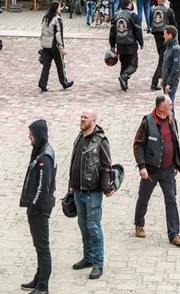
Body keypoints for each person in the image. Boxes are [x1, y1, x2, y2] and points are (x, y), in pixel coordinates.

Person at [133, 95, 180, 247]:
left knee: (171, 200)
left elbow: (174, 143)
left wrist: (176, 164)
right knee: (143, 198)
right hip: (150, 170)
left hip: (168, 170)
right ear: (161, 107)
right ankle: (139, 223)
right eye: (169, 105)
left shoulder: (171, 120)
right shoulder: (147, 122)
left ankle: (174, 234)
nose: (172, 107)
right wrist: (141, 166)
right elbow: (138, 145)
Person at [68, 108, 113, 281]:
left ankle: (98, 263)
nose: (81, 119)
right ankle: (88, 257)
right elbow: (74, 163)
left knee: (94, 227)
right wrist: (71, 186)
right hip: (78, 191)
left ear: (93, 121)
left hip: (93, 193)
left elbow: (106, 166)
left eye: (85, 117)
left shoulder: (100, 141)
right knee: (83, 225)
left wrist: (106, 188)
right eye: (81, 117)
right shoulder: (79, 137)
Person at [20, 119, 57, 294]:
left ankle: (43, 286)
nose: (29, 137)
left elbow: (43, 187)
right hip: (37, 207)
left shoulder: (44, 158)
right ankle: (38, 277)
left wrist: (33, 206)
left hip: (40, 209)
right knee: (38, 246)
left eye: (31, 134)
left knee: (43, 247)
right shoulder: (40, 151)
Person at [109, 0, 144, 91]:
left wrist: (112, 44)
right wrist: (141, 42)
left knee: (124, 64)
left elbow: (112, 32)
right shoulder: (133, 16)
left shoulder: (115, 15)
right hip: (130, 43)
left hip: (120, 43)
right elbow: (138, 31)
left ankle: (123, 84)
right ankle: (124, 77)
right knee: (133, 64)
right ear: (130, 4)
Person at [38, 0, 73, 92]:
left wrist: (42, 44)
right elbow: (59, 35)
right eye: (59, 7)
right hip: (54, 46)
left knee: (46, 66)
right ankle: (64, 83)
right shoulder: (57, 19)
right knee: (60, 65)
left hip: (46, 45)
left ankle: (42, 84)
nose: (60, 9)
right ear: (55, 9)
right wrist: (62, 48)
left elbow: (42, 33)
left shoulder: (45, 18)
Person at [150, 0, 176, 91]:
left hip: (156, 34)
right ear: (165, 1)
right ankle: (154, 81)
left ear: (158, 0)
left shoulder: (152, 10)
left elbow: (150, 21)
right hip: (165, 35)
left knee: (162, 55)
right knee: (163, 59)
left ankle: (162, 75)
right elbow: (173, 23)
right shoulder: (168, 10)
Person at [160, 25, 180, 105]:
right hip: (166, 80)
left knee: (169, 105)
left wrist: (169, 83)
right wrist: (163, 77)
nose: (163, 36)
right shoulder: (168, 47)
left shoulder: (175, 49)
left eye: (165, 34)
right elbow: (165, 64)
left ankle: (172, 118)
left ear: (170, 35)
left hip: (171, 82)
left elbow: (176, 68)